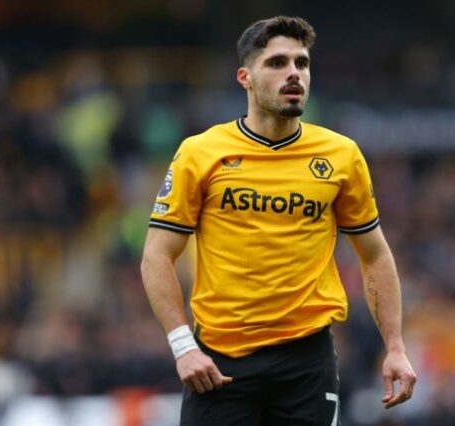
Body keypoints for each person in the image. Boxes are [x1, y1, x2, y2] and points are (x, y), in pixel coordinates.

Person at [141, 15, 416, 425]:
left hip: (306, 361)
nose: (293, 74)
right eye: (277, 63)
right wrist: (183, 346)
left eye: (301, 64)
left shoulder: (341, 155)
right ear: (245, 77)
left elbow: (375, 254)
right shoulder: (201, 153)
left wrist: (395, 346)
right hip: (220, 361)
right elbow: (156, 256)